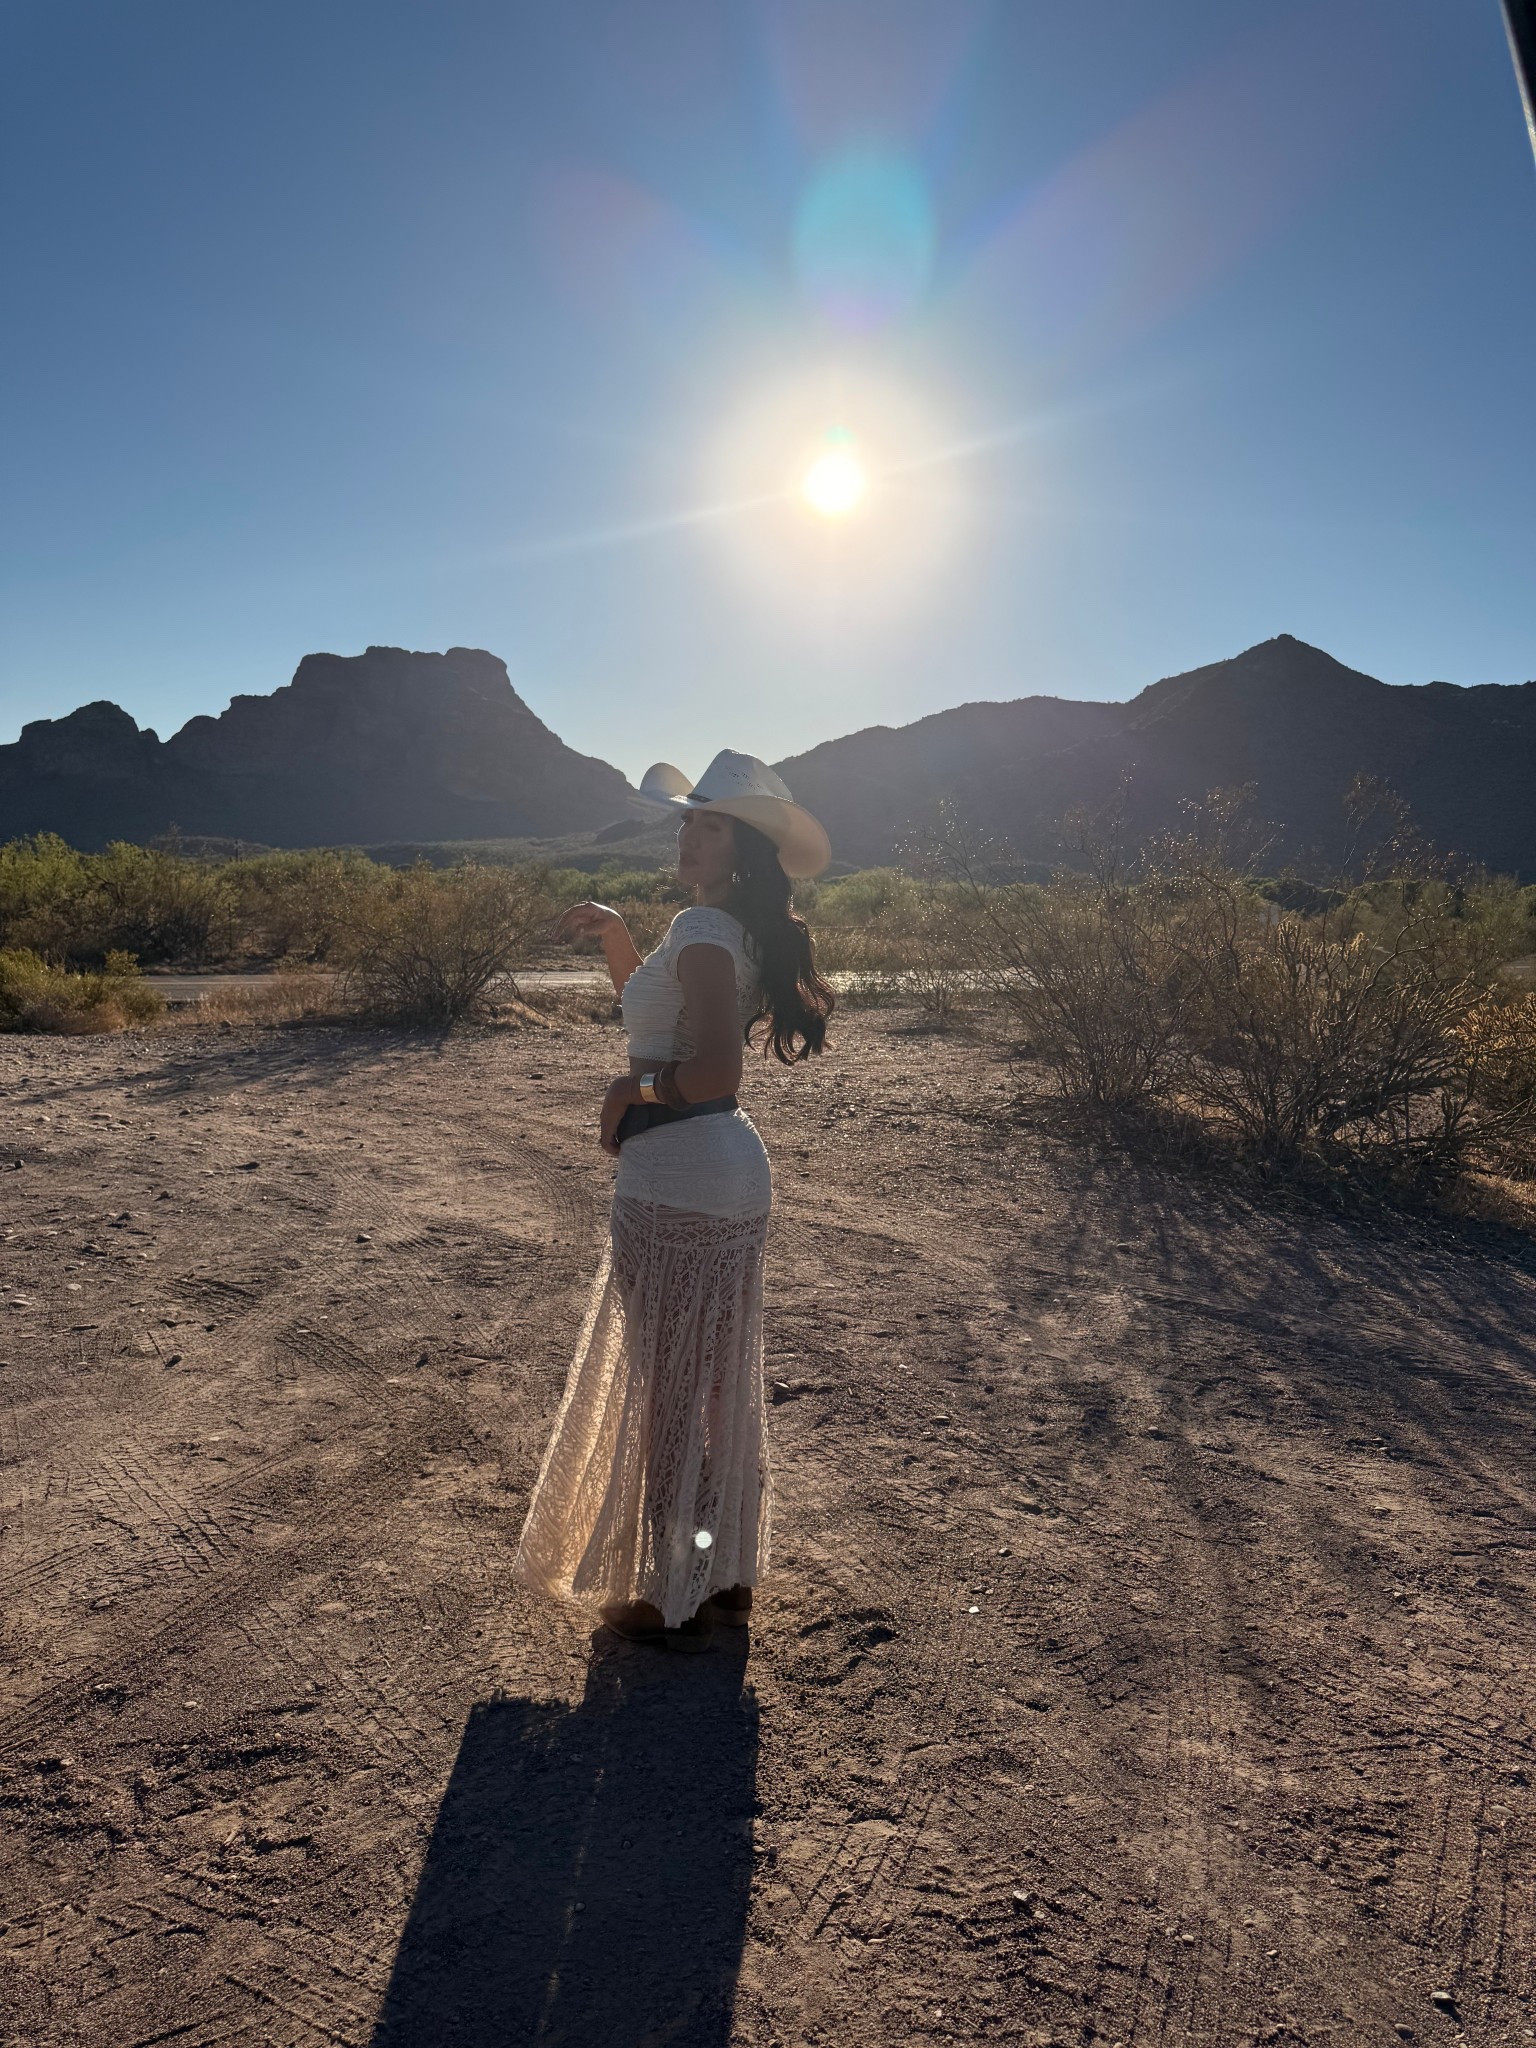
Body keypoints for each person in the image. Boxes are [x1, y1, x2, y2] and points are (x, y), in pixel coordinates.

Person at [513, 751, 833, 1651]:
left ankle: (667, 1589)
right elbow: (658, 1018)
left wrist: (634, 1092)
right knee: (718, 1380)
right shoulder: (724, 928)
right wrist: (620, 936)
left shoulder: (702, 927)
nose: (690, 836)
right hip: (721, 1170)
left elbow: (714, 1068)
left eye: (712, 824)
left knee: (667, 1389)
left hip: (682, 1170)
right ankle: (724, 1580)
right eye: (689, 820)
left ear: (745, 848)